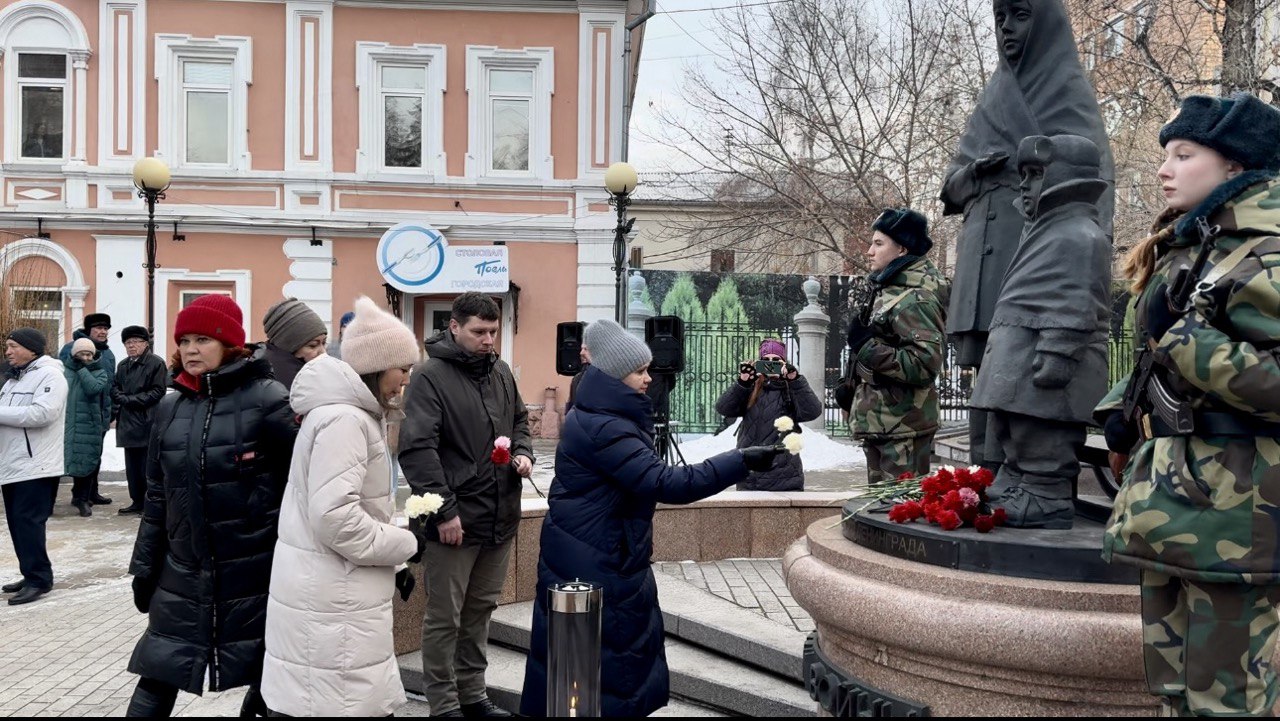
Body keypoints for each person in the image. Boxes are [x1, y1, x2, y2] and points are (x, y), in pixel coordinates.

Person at [1097, 92, 1280, 717]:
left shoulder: (1267, 252)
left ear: (1234, 166)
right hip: (1178, 503)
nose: (1164, 168)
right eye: (1165, 155)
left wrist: (1183, 336)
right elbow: (1163, 361)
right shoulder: (1194, 247)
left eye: (1184, 153)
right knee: (1177, 694)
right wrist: (1124, 418)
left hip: (1239, 518)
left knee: (1228, 704)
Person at [518, 319, 785, 717]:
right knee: (588, 681)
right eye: (640, 371)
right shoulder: (605, 427)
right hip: (594, 563)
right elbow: (667, 483)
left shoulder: (600, 414)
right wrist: (739, 461)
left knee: (601, 674)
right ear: (614, 374)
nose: (648, 379)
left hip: (601, 556)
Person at [942, 0, 1113, 472]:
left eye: (1019, 15)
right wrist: (976, 171)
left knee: (1020, 369)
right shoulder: (993, 94)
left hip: (1033, 251)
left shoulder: (1067, 89)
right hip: (982, 252)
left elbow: (1091, 179)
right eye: (999, 19)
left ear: (1045, 23)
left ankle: (1022, 479)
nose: (1006, 29)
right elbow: (950, 186)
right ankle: (982, 479)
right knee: (987, 377)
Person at [125, 294, 297, 717]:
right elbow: (157, 495)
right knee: (159, 671)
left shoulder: (269, 398)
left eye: (203, 339)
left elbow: (302, 486)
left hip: (256, 572)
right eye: (184, 340)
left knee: (267, 677)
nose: (190, 350)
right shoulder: (169, 405)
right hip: (183, 571)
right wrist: (144, 566)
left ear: (230, 344)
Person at [262, 296, 423, 717]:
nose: (406, 380)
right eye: (402, 369)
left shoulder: (350, 414)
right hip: (334, 601)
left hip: (335, 595)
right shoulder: (346, 420)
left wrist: (396, 563)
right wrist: (405, 544)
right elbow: (336, 519)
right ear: (376, 366)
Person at [398, 291, 534, 719]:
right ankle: (443, 704)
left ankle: (473, 696)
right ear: (454, 327)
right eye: (479, 331)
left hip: (499, 516)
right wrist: (445, 512)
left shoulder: (501, 371)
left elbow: (519, 421)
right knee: (445, 617)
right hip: (454, 521)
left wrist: (524, 452)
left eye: (493, 331)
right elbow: (419, 450)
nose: (489, 339)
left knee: (480, 612)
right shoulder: (429, 376)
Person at [969, 134, 1111, 529]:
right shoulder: (1044, 230)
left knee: (1042, 435)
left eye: (1034, 175)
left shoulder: (1081, 235)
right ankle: (1017, 480)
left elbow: (1076, 298)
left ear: (1063, 179)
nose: (1024, 185)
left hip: (1046, 365)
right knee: (1015, 431)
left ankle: (1046, 493)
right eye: (1024, 175)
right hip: (1020, 357)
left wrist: (1060, 351)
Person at [845, 209, 948, 485]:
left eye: (879, 244)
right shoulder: (890, 288)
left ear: (902, 249)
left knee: (898, 514)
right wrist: (852, 388)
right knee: (879, 514)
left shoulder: (916, 297)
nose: (869, 251)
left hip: (903, 429)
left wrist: (866, 347)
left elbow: (924, 365)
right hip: (885, 423)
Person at [0, 328, 67, 605]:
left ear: (32, 348)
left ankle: (40, 579)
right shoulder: (15, 380)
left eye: (13, 346)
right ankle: (30, 573)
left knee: (29, 523)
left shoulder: (51, 375)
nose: (8, 351)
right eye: (6, 346)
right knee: (18, 525)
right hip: (12, 465)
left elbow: (43, 413)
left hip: (37, 465)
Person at [714, 339, 823, 491]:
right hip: (750, 475)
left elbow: (813, 411)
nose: (770, 363)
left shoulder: (791, 388)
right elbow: (723, 408)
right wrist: (742, 382)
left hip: (785, 477)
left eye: (776, 360)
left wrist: (795, 380)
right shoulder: (751, 388)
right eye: (765, 360)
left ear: (784, 363)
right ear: (758, 363)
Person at [58, 312, 115, 506]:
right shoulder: (70, 348)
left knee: (94, 455)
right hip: (78, 412)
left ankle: (92, 492)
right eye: (98, 328)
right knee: (77, 454)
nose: (103, 332)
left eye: (106, 328)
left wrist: (110, 411)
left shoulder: (108, 354)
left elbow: (111, 385)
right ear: (89, 330)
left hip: (100, 413)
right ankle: (79, 494)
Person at [112, 326, 168, 515]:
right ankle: (136, 501)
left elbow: (158, 391)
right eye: (128, 343)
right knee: (132, 467)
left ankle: (149, 502)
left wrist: (130, 400)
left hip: (147, 421)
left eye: (136, 342)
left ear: (145, 344)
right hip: (127, 422)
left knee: (147, 466)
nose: (132, 346)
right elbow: (115, 387)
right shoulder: (123, 365)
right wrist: (119, 398)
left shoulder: (156, 363)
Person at [63, 338, 110, 518]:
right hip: (66, 423)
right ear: (74, 354)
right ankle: (50, 501)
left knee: (85, 461)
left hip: (88, 424)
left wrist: (81, 369)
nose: (85, 357)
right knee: (60, 461)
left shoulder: (99, 372)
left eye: (89, 354)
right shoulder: (63, 371)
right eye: (81, 354)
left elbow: (92, 388)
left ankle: (82, 499)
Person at [261, 297, 328, 390]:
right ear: (288, 345)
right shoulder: (297, 384)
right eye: (313, 345)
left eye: (324, 343)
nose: (323, 352)